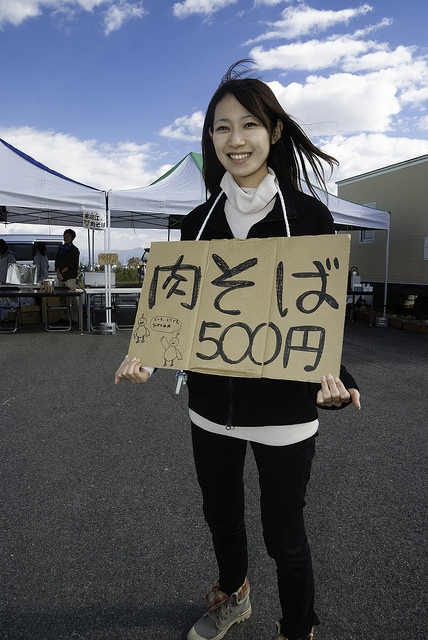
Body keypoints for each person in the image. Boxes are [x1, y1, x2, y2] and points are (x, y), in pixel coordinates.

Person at [114, 61, 361, 640]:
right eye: (221, 128)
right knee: (221, 517)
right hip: (210, 406)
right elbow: (179, 311)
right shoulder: (198, 223)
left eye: (248, 124)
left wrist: (335, 375)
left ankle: (298, 627)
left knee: (285, 533)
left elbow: (316, 313)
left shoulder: (308, 219)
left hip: (284, 412)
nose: (235, 139)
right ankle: (234, 595)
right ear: (210, 140)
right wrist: (148, 350)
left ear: (273, 133)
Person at [54, 229, 80, 322]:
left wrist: (61, 272)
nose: (66, 238)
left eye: (68, 236)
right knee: (62, 298)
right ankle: (64, 317)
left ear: (72, 238)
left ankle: (74, 318)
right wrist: (58, 272)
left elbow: (73, 264)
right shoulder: (60, 249)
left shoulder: (75, 250)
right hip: (60, 278)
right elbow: (56, 262)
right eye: (65, 236)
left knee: (73, 299)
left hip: (70, 278)